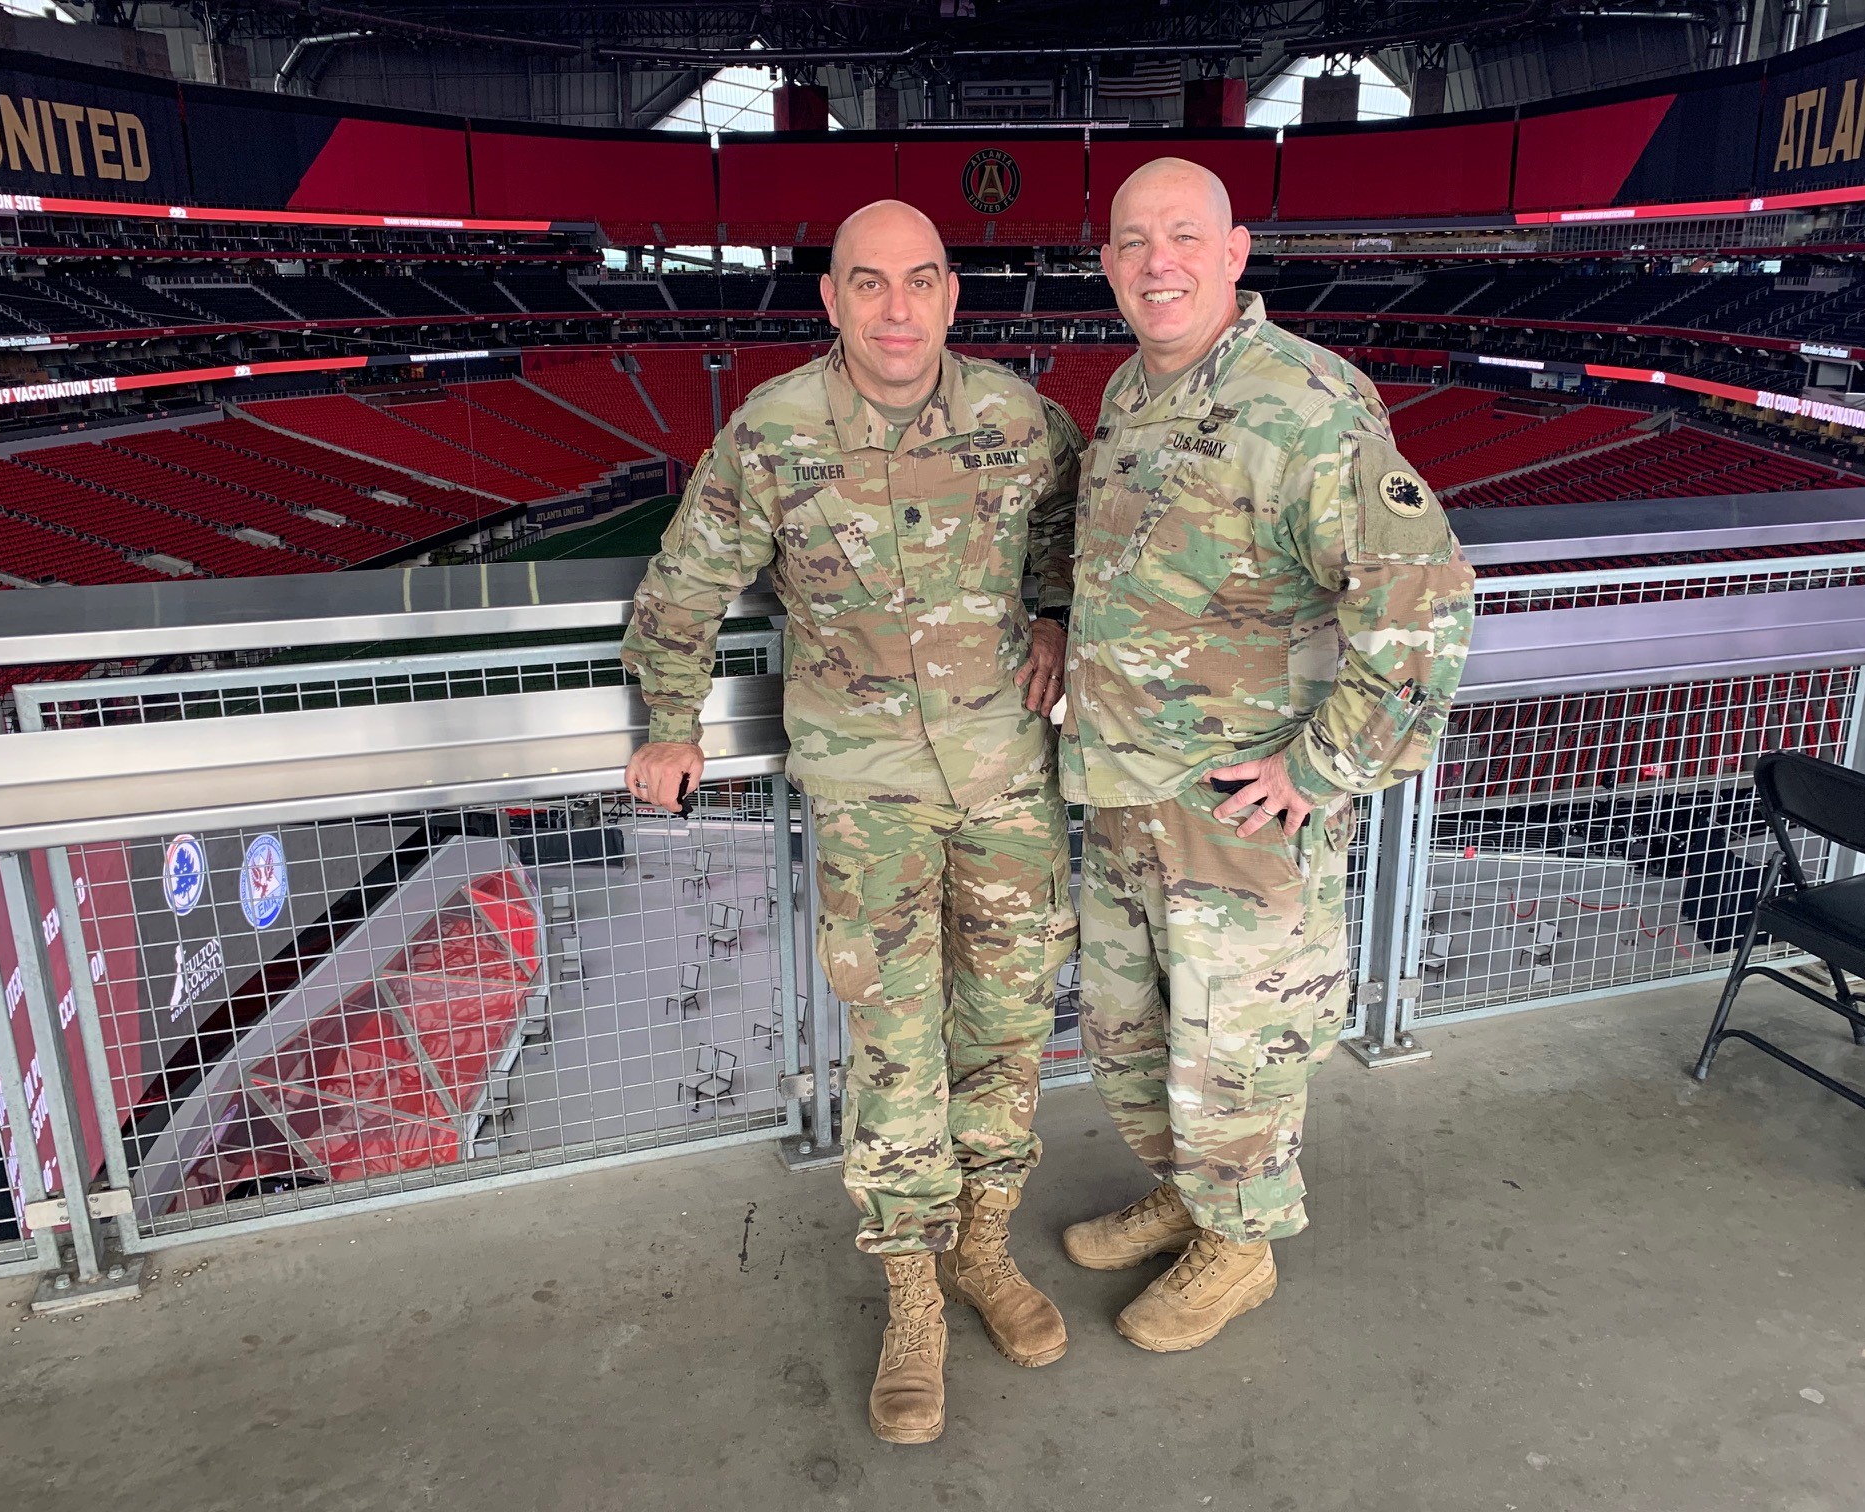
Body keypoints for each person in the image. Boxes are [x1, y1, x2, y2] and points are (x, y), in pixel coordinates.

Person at [620, 200, 1083, 1443]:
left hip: (1004, 780)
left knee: (1008, 1028)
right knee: (894, 1049)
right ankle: (914, 1294)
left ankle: (986, 1247)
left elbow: (1075, 535)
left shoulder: (1017, 418)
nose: (895, 308)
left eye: (919, 281)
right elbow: (685, 584)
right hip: (868, 793)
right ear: (830, 301)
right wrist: (671, 719)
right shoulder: (772, 432)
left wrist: (1051, 614)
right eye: (867, 283)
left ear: (950, 297)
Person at [1059, 159, 1476, 1351]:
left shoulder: (1305, 402)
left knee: (1234, 1047)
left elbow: (1426, 607)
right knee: (1135, 1030)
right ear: (1108, 266)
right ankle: (1190, 1200)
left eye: (1183, 237)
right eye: (1132, 242)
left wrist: (1323, 769)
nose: (1157, 264)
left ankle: (1239, 1249)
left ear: (1236, 252)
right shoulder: (1132, 394)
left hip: (1246, 819)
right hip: (1132, 797)